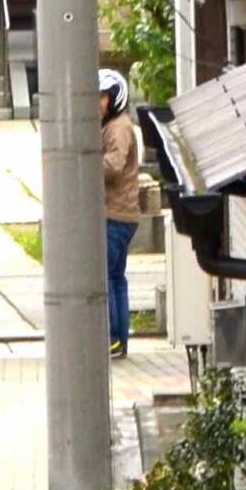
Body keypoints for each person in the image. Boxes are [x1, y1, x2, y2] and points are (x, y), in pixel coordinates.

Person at [100, 68, 141, 360]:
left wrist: (83, 161)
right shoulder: (113, 125)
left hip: (115, 214)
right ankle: (119, 340)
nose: (98, 102)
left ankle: (114, 338)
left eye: (102, 97)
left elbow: (113, 166)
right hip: (120, 213)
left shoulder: (119, 128)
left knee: (108, 278)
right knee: (116, 278)